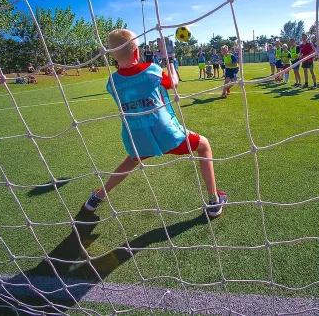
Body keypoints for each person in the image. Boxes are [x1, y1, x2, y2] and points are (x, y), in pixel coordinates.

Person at [82, 29, 227, 217]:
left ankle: (97, 198)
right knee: (204, 146)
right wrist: (170, 61)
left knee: (129, 162)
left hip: (138, 135)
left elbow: (130, 80)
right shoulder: (152, 70)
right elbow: (173, 83)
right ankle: (214, 201)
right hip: (166, 133)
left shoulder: (112, 82)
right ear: (137, 52)